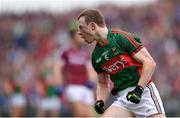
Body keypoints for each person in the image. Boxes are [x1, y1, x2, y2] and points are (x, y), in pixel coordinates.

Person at [77, 9, 166, 117]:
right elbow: (103, 83)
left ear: (92, 26)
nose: (79, 32)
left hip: (144, 94)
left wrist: (139, 89)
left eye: (81, 27)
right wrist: (100, 100)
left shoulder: (119, 38)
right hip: (124, 99)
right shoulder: (96, 56)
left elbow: (150, 62)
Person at [53, 21, 97, 117]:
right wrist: (59, 86)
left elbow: (90, 70)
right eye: (80, 34)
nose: (82, 37)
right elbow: (57, 69)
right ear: (72, 35)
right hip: (72, 87)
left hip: (86, 88)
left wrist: (92, 82)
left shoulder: (85, 53)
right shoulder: (65, 51)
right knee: (80, 113)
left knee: (91, 115)